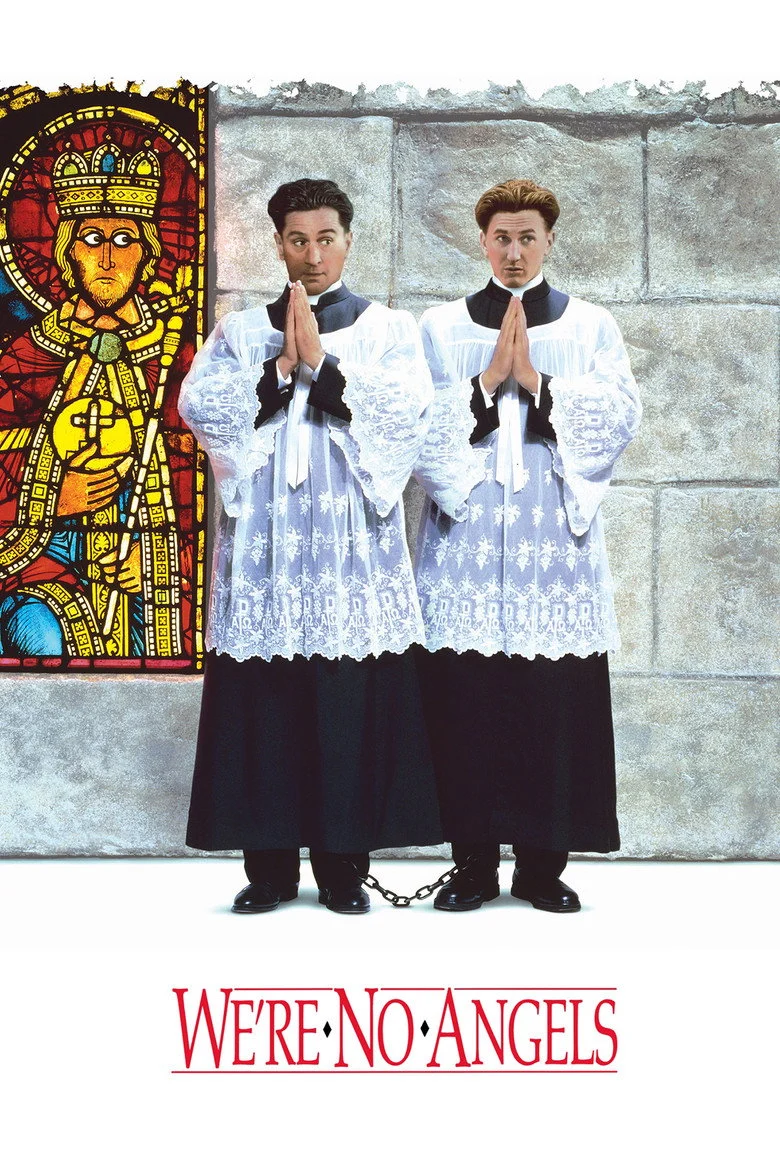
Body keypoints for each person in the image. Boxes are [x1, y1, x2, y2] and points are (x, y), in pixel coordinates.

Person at [179, 177, 441, 914]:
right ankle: (267, 870)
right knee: (265, 705)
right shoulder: (241, 332)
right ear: (278, 244)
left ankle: (342, 869)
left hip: (349, 549)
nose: (313, 255)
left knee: (344, 702)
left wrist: (324, 369)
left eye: (326, 239)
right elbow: (200, 405)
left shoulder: (388, 329)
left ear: (348, 240)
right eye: (298, 240)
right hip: (267, 549)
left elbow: (407, 412)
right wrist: (277, 371)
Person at [413, 179, 641, 912]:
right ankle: (473, 865)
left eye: (528, 239)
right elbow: (412, 425)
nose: (514, 253)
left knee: (552, 704)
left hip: (552, 546)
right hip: (468, 542)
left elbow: (619, 417)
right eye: (502, 238)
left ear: (549, 241)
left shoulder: (589, 326)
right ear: (482, 241)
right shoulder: (441, 327)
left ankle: (543, 867)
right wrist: (484, 385)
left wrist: (540, 386)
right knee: (468, 702)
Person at [0, 134, 193, 660]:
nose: (107, 258)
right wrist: (50, 503)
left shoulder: (175, 358)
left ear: (148, 253)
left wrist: (158, 563)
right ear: (66, 252)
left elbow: (209, 479)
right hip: (40, 572)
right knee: (40, 637)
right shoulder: (24, 360)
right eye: (91, 239)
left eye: (124, 239)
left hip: (150, 587)